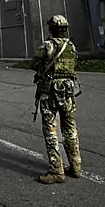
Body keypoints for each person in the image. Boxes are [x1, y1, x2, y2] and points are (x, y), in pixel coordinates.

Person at [31, 15, 82, 184]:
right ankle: (76, 167)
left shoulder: (47, 46)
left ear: (51, 30)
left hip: (50, 93)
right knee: (70, 128)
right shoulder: (72, 46)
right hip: (68, 92)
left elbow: (34, 64)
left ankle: (57, 170)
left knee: (51, 130)